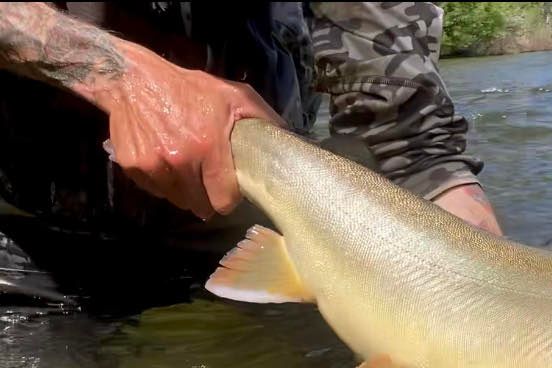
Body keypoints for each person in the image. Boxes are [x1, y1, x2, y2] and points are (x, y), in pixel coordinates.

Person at [0, 2, 499, 309]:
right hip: (29, 236)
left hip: (249, 223)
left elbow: (402, 118)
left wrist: (449, 195)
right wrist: (116, 74)